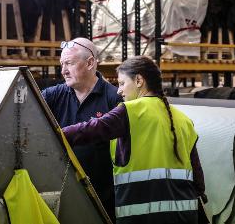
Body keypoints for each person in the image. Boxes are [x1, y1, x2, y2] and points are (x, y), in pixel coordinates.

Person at [62, 55, 207, 224]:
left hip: (143, 216)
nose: (118, 90)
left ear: (139, 80)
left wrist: (54, 132)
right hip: (185, 214)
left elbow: (90, 129)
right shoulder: (183, 120)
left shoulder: (130, 111)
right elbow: (198, 181)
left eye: (122, 83)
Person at [42, 37, 122, 222]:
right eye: (62, 64)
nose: (63, 71)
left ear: (90, 63)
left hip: (103, 198)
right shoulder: (53, 96)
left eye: (69, 63)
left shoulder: (113, 99)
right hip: (63, 192)